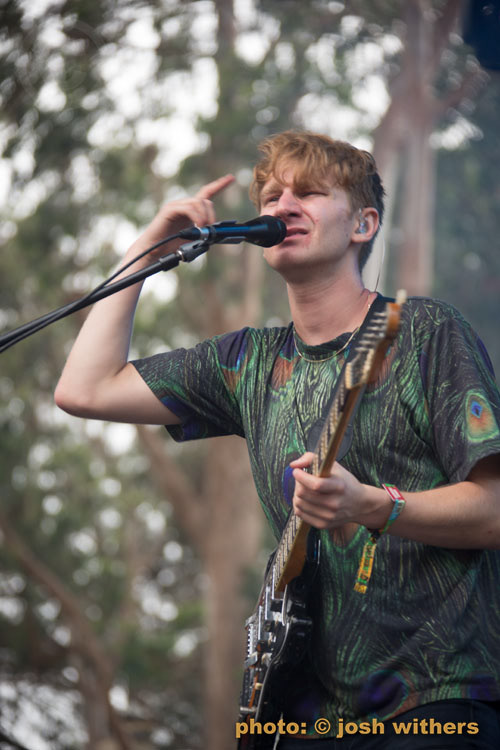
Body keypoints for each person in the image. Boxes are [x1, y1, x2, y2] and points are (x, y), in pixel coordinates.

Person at [55, 130, 500, 748]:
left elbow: (493, 510)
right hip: (301, 718)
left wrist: (372, 505)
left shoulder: (425, 331)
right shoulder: (248, 362)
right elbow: (85, 389)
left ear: (364, 224)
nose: (282, 206)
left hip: (436, 702)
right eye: (271, 197)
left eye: (309, 193)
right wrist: (147, 249)